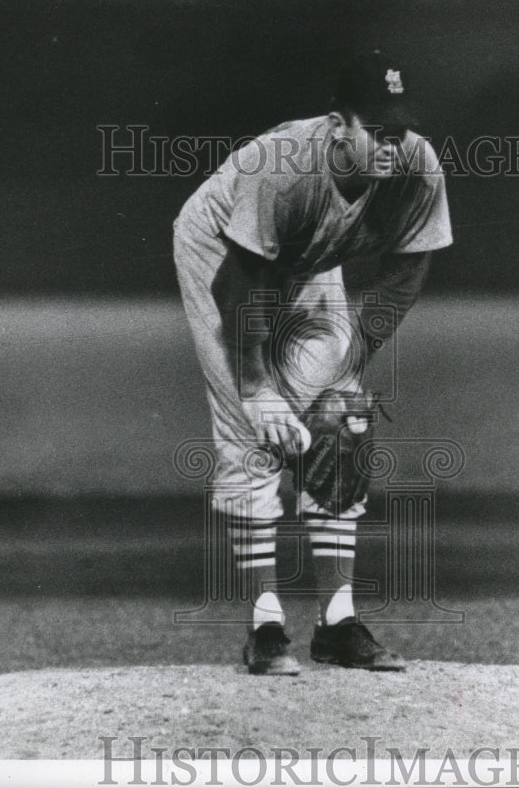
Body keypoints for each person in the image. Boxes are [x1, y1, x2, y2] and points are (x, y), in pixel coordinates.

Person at [173, 50, 453, 675]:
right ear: (337, 124)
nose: (392, 142)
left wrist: (354, 359)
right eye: (376, 129)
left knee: (343, 418)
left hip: (305, 254)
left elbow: (409, 267)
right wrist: (255, 385)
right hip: (221, 248)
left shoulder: (415, 163)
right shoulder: (286, 167)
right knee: (253, 432)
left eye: (400, 128)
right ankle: (266, 623)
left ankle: (337, 622)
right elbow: (238, 284)